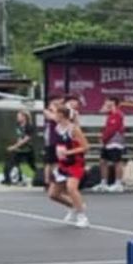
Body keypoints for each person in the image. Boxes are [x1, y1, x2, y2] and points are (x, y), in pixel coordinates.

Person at [44, 98, 91, 229]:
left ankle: (82, 217)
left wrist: (69, 152)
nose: (53, 115)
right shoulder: (58, 127)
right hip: (63, 164)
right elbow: (48, 113)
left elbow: (86, 147)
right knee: (53, 195)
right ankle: (74, 206)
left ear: (62, 115)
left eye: (56, 113)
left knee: (71, 188)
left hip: (75, 163)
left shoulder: (74, 129)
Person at [99, 97, 130, 193]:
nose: (106, 104)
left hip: (115, 142)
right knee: (103, 161)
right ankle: (103, 183)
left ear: (114, 104)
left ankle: (118, 184)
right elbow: (101, 111)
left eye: (109, 103)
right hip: (107, 142)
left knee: (117, 162)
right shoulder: (110, 114)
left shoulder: (118, 114)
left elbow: (112, 129)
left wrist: (104, 138)